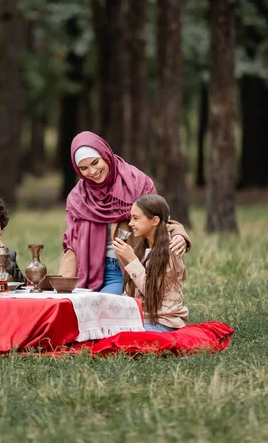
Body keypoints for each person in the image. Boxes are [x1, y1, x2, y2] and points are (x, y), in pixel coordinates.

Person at [59, 131, 191, 294]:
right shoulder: (78, 197)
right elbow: (72, 244)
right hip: (86, 272)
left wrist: (179, 234)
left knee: (101, 310)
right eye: (84, 168)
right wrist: (64, 286)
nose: (92, 172)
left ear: (105, 154)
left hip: (124, 269)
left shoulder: (137, 183)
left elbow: (158, 220)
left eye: (95, 162)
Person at [113, 194, 188, 332]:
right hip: (143, 319)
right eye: (131, 218)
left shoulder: (171, 250)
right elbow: (131, 291)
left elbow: (150, 291)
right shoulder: (143, 247)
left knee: (120, 337)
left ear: (154, 221)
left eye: (136, 218)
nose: (130, 224)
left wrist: (131, 260)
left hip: (164, 322)